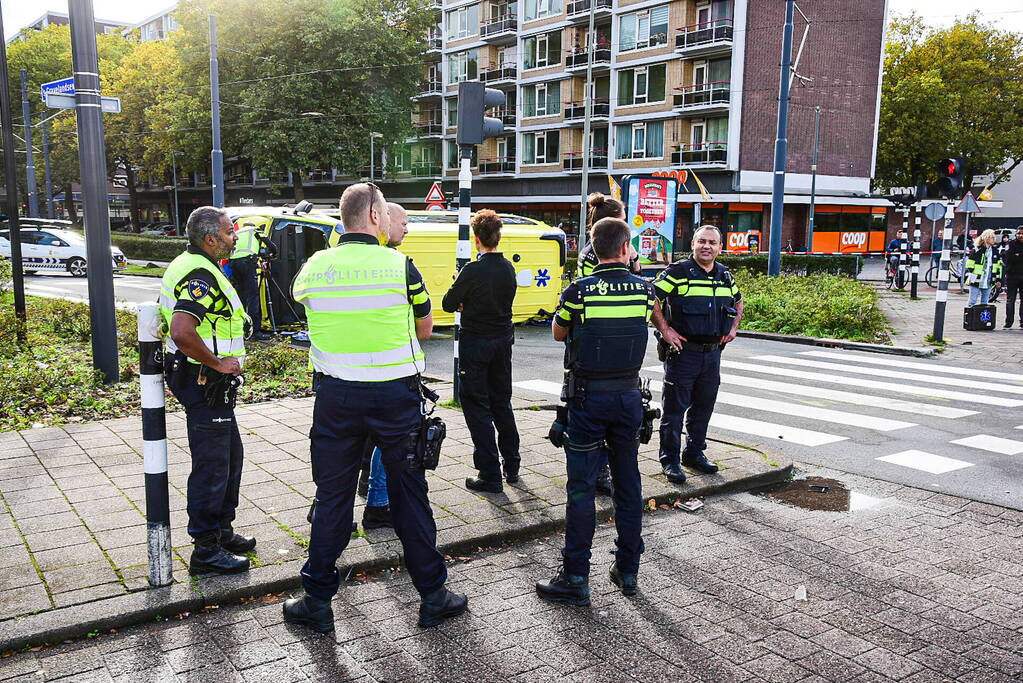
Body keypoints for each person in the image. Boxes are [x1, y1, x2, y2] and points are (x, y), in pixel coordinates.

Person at [284, 183, 466, 633]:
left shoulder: (314, 267)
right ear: (373, 217)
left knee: (332, 497)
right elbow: (424, 329)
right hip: (393, 397)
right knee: (409, 494)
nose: (387, 221)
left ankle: (317, 601)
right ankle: (432, 595)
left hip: (336, 399)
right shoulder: (400, 266)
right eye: (384, 214)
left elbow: (301, 300)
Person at [536, 217, 676, 606]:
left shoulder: (579, 291)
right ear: (626, 247)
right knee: (628, 484)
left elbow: (558, 333)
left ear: (593, 248)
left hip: (587, 401)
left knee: (581, 489)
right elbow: (655, 319)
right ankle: (627, 569)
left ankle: (576, 576)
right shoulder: (644, 291)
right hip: (629, 399)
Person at [158, 206, 255, 575]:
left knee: (230, 455)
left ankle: (221, 531)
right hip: (202, 378)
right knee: (214, 464)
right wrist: (217, 363)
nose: (235, 239)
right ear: (211, 238)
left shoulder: (197, 264)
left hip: (207, 379)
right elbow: (183, 330)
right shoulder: (200, 273)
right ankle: (205, 551)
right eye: (230, 233)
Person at [653, 225, 743, 486]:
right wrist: (665, 329)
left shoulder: (724, 275)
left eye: (712, 243)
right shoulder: (677, 272)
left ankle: (694, 453)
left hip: (712, 354)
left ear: (719, 247)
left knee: (703, 408)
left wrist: (733, 328)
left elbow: (738, 301)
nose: (707, 246)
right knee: (674, 411)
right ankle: (669, 460)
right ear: (693, 244)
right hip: (683, 353)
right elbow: (652, 298)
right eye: (702, 241)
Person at [442, 209, 520, 493]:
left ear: (476, 240)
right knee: (502, 402)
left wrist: (464, 297)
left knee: (476, 407)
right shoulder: (508, 268)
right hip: (503, 342)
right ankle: (512, 465)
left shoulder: (472, 271)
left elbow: (449, 303)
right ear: (498, 237)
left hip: (476, 344)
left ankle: (489, 474)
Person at [575, 192, 640, 496]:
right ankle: (602, 470)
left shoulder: (595, 248)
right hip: (601, 334)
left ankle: (601, 469)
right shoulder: (595, 254)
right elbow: (615, 284)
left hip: (593, 333)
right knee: (600, 405)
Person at [361, 202, 412, 530]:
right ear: (382, 219)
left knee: (354, 441)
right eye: (404, 222)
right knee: (384, 438)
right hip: (384, 369)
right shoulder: (391, 264)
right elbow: (422, 323)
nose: (408, 228)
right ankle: (379, 503)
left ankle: (328, 503)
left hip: (352, 369)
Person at [227, 219, 272, 340]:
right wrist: (273, 254)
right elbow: (271, 246)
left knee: (241, 297)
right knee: (253, 296)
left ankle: (241, 329)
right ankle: (255, 331)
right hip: (247, 262)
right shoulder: (255, 230)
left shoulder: (238, 232)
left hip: (234, 264)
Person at [965, 229, 1002, 307]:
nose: (994, 239)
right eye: (992, 237)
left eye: (994, 237)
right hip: (976, 279)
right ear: (986, 238)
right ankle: (968, 317)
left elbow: (998, 266)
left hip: (989, 280)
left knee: (985, 302)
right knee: (972, 301)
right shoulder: (977, 249)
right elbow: (969, 264)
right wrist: (975, 273)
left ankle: (981, 319)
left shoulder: (995, 251)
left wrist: (998, 279)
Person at [1002, 227, 1023, 328]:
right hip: (1012, 276)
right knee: (1010, 300)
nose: (1021, 235)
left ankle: (1022, 322)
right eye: (1019, 233)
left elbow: (1014, 257)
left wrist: (1018, 255)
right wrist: (1016, 256)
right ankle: (1008, 322)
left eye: (1022, 233)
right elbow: (1008, 257)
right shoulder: (1010, 244)